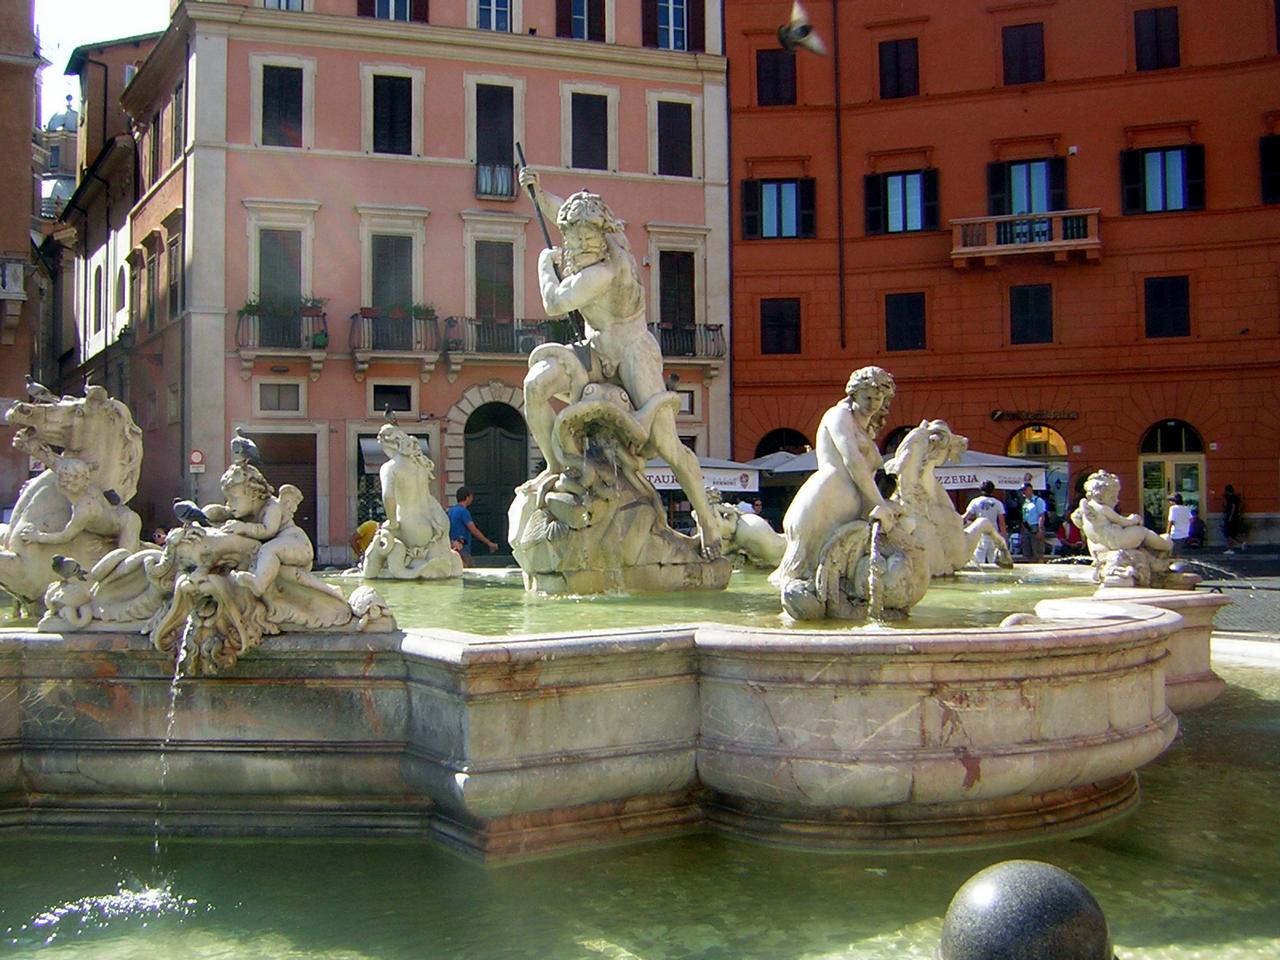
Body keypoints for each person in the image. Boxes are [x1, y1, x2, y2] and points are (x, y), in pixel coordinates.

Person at [517, 166, 720, 560]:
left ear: (602, 234)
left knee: (668, 445)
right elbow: (566, 214)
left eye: (585, 238)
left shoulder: (606, 270)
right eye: (572, 237)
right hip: (594, 351)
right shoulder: (596, 236)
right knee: (535, 386)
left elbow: (555, 302)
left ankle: (708, 523)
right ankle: (557, 465)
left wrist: (544, 262)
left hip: (632, 351)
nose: (577, 245)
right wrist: (538, 194)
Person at [772, 366, 901, 585]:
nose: (872, 404)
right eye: (867, 397)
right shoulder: (838, 415)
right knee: (803, 573)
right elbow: (853, 460)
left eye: (878, 398)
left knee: (839, 577)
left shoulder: (866, 429)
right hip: (826, 501)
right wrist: (879, 502)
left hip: (850, 505)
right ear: (854, 394)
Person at [447, 486, 498, 567]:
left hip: (452, 548)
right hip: (463, 549)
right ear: (467, 497)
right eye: (471, 497)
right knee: (468, 570)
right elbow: (474, 530)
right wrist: (489, 543)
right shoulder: (464, 512)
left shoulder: (450, 511)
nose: (472, 499)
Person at [963, 480, 1007, 564]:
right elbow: (1001, 522)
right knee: (993, 561)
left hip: (980, 534)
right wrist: (1003, 536)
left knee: (978, 561)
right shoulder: (998, 503)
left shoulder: (975, 501)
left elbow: (966, 517)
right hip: (994, 534)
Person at [1019, 482, 1048, 561]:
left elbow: (1041, 515)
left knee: (1037, 553)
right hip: (1026, 528)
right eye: (1022, 490)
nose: (1023, 492)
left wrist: (1040, 530)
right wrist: (1022, 533)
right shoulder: (1025, 502)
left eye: (1024, 490)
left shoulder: (1038, 500)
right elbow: (1024, 517)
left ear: (1030, 489)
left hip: (1035, 527)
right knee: (1027, 553)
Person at [1222, 484, 1246, 553]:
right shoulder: (1236, 497)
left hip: (1231, 517)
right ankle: (1238, 545)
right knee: (1231, 534)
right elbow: (1239, 506)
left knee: (1228, 534)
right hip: (1235, 517)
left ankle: (1232, 548)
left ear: (1227, 491)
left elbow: (1233, 507)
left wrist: (1230, 516)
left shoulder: (1231, 497)